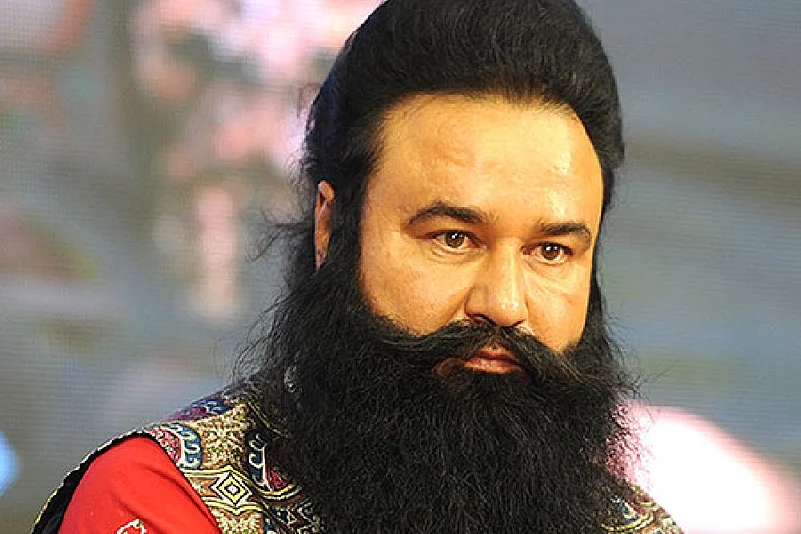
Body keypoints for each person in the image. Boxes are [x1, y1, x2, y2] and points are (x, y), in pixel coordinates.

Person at [35, 0, 683, 532]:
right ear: (331, 228)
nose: (505, 303)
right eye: (453, 238)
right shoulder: (162, 504)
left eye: (550, 251)